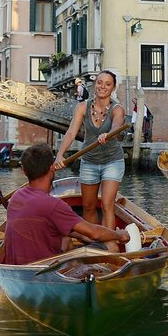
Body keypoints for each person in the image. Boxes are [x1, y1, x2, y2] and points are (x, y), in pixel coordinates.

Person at [2, 143, 130, 266]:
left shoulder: (16, 197)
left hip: (19, 267)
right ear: (52, 168)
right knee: (111, 246)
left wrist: (84, 237)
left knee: (66, 239)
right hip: (44, 269)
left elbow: (64, 229)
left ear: (24, 170)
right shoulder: (53, 205)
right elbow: (95, 232)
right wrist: (119, 234)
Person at [54, 70, 126, 247]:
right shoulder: (82, 107)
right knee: (88, 206)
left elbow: (118, 125)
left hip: (113, 162)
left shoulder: (117, 109)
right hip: (89, 161)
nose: (103, 87)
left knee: (108, 204)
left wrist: (109, 134)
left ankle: (110, 244)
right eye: (100, 82)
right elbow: (71, 132)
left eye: (107, 84)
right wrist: (60, 155)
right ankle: (94, 242)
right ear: (95, 84)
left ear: (113, 87)